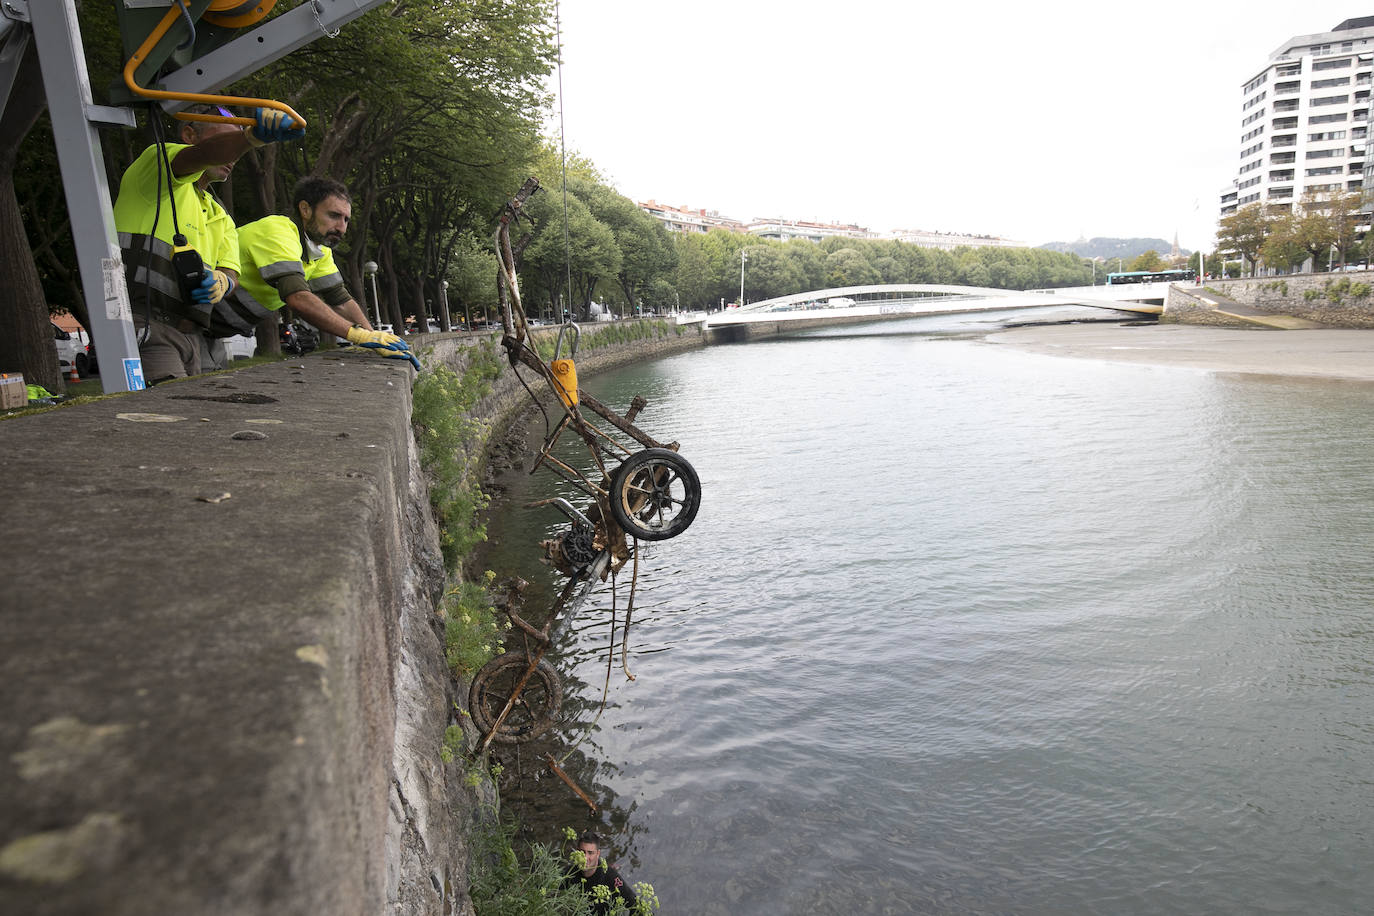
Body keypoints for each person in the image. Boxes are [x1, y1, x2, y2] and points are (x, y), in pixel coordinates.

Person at [113, 105, 304, 383]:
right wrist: (250, 138)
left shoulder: (220, 215)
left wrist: (222, 282)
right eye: (226, 141)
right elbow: (203, 155)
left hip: (194, 338)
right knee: (172, 414)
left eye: (237, 145)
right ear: (189, 135)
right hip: (146, 326)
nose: (235, 155)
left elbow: (231, 273)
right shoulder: (155, 166)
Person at [225, 176, 417, 369]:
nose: (342, 227)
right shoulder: (277, 231)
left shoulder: (319, 249)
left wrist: (375, 339)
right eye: (334, 215)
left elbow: (340, 300)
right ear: (305, 209)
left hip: (213, 329)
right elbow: (298, 298)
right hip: (199, 320)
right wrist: (359, 335)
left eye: (346, 219)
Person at [565, 831, 638, 914]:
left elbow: (635, 904)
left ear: (598, 853)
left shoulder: (611, 877)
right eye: (582, 852)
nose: (585, 858)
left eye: (590, 853)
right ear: (577, 851)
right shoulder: (570, 872)